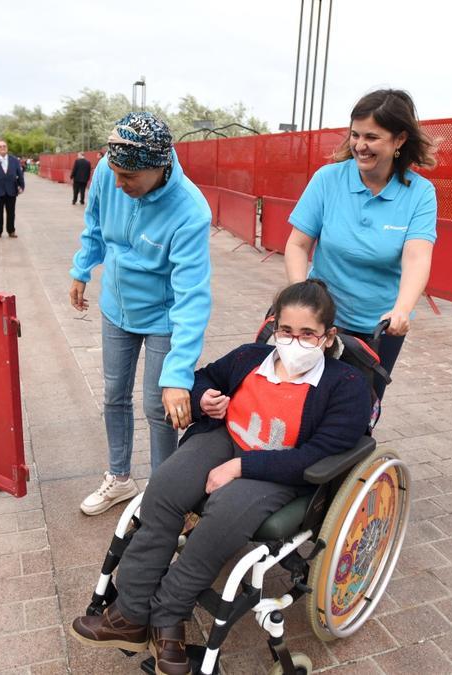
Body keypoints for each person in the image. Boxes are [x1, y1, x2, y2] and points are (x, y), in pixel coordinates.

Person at [71, 280, 371, 675]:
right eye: (286, 331)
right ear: (273, 326)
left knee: (223, 516)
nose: (294, 342)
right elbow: (204, 377)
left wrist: (242, 467)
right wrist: (203, 399)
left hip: (280, 468)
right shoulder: (250, 356)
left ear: (327, 336)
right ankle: (129, 615)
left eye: (307, 334)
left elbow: (318, 455)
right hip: (227, 438)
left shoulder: (347, 387)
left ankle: (167, 617)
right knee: (164, 488)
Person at [68, 112, 212, 515]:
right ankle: (120, 477)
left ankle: (163, 495)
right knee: (114, 394)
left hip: (164, 316)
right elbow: (94, 222)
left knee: (161, 405)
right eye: (113, 172)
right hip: (116, 306)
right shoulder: (108, 173)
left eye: (128, 178)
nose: (117, 183)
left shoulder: (190, 212)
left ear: (158, 167)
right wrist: (83, 268)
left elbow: (192, 296)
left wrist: (179, 375)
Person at [284, 89, 437, 422]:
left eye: (372, 137)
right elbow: (297, 244)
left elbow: (416, 256)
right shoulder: (328, 180)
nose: (359, 145)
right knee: (302, 401)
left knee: (359, 412)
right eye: (355, 134)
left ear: (399, 140)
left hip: (378, 328)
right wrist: (299, 298)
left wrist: (402, 309)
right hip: (320, 320)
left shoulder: (420, 193)